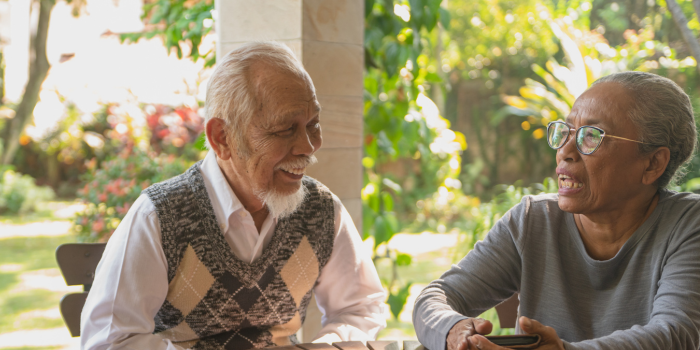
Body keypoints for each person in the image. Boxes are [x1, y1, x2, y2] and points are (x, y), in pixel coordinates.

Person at [81, 41, 386, 350]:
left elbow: (359, 308)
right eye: (285, 129)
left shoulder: (320, 210)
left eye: (313, 124)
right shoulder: (159, 216)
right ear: (221, 138)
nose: (308, 146)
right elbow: (109, 342)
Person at [413, 71, 700, 350]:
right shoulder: (532, 221)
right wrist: (453, 329)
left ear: (652, 164)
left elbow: (676, 334)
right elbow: (435, 298)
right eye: (566, 131)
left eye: (591, 136)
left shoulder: (688, 225)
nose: (565, 150)